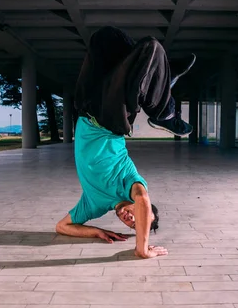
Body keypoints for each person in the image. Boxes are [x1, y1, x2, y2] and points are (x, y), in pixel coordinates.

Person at [55, 26, 196, 259]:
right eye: (137, 218)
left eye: (131, 225)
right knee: (151, 47)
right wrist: (141, 248)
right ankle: (164, 111)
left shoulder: (94, 205)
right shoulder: (132, 184)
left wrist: (96, 231)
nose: (130, 219)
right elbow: (142, 199)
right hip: (113, 120)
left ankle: (164, 78)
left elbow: (61, 227)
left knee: (104, 37)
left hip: (86, 109)